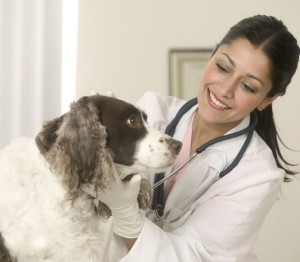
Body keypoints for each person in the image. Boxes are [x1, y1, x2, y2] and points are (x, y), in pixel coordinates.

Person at [100, 15, 300, 261]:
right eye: (223, 67)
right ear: (212, 54)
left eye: (247, 86)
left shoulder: (257, 175)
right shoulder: (154, 113)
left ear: (268, 99)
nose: (225, 90)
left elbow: (196, 258)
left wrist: (125, 214)